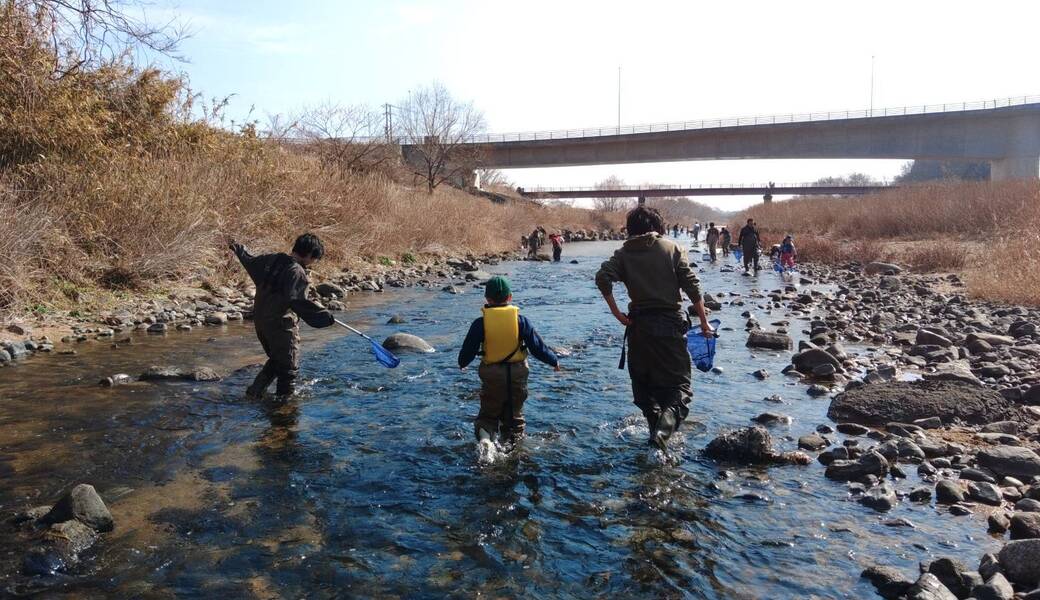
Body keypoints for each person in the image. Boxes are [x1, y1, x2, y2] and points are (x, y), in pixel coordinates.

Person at [595, 205, 712, 451]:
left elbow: (602, 277)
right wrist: (703, 321)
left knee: (645, 387)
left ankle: (654, 436)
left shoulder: (623, 254)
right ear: (657, 227)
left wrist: (617, 313)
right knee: (680, 389)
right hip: (669, 324)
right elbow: (691, 285)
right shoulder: (672, 248)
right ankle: (662, 434)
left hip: (638, 327)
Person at [458, 276, 560, 446]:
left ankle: (485, 439)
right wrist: (553, 361)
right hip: (517, 373)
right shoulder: (521, 321)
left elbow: (468, 349)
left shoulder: (480, 323)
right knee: (514, 418)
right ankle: (514, 450)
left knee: (488, 415)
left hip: (492, 374)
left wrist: (463, 363)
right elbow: (537, 347)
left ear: (487, 299)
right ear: (510, 297)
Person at [230, 233, 335, 398]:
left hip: (261, 322)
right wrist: (324, 316)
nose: (313, 262)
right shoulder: (297, 272)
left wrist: (237, 248)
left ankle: (254, 393)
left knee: (277, 359)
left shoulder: (272, 259)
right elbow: (297, 301)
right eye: (314, 259)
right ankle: (284, 408)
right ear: (308, 254)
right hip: (280, 326)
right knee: (288, 370)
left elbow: (249, 261)